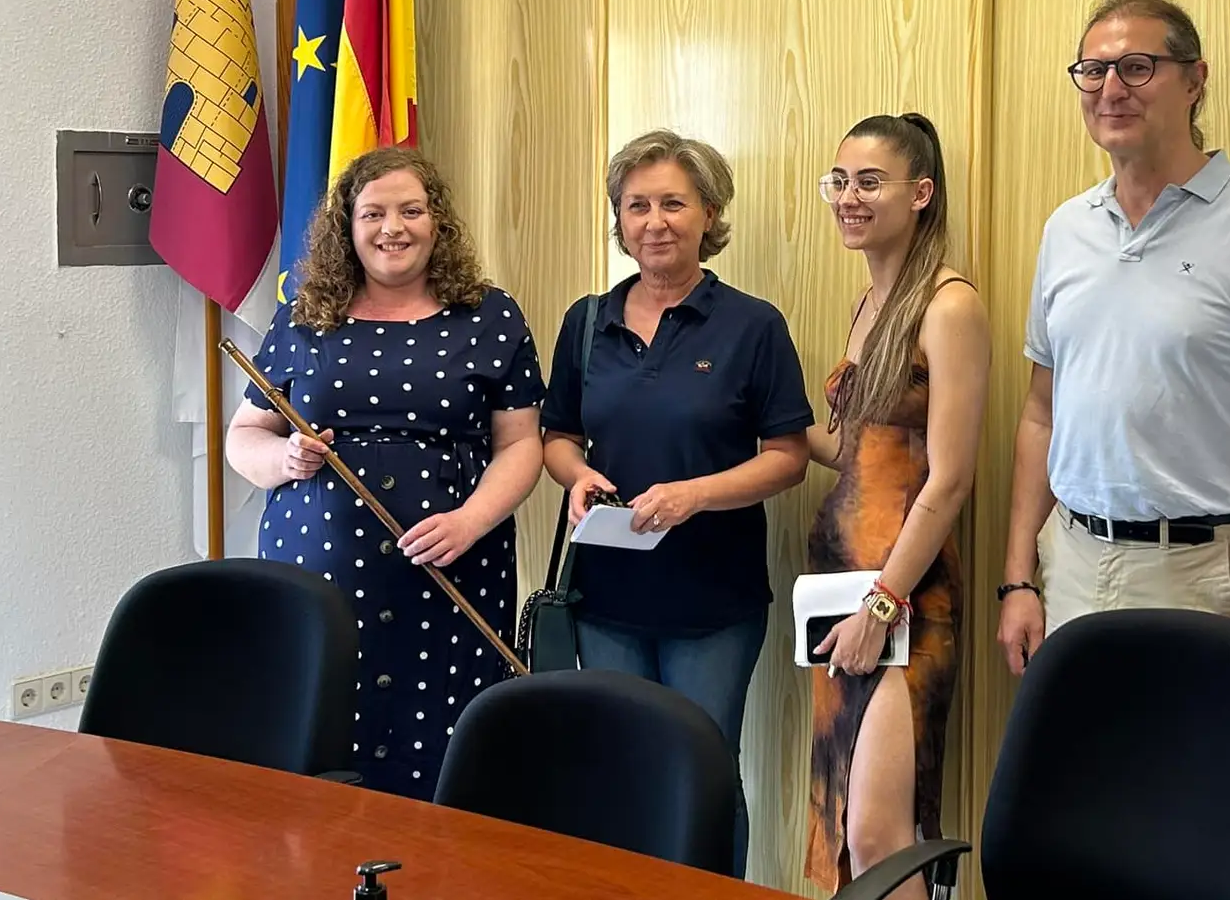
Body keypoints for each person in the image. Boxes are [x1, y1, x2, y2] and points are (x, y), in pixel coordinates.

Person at [996, 0, 1230, 673]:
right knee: (1082, 780)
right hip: (1072, 565)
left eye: (1137, 67)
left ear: (1195, 80)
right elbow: (1041, 413)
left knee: (1200, 781)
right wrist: (1018, 579)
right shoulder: (1066, 230)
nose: (1110, 89)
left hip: (1206, 576)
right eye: (1092, 71)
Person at [225, 146, 546, 801]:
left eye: (410, 210)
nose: (392, 228)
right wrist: (284, 458)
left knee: (443, 762)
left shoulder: (491, 315)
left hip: (452, 570)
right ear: (347, 226)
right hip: (318, 578)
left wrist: (471, 520)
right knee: (318, 755)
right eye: (373, 213)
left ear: (438, 222)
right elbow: (246, 435)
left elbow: (521, 444)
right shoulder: (302, 315)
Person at [539, 128, 813, 877]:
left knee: (705, 765)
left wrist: (696, 495)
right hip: (607, 594)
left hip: (712, 602)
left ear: (709, 214)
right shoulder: (586, 321)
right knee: (627, 765)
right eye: (636, 205)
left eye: (672, 203)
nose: (654, 220)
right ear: (619, 220)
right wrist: (574, 476)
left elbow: (788, 459)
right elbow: (556, 434)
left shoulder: (752, 325)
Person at [802, 114, 988, 896]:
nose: (849, 197)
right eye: (838, 180)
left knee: (884, 831)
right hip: (838, 588)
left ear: (921, 193)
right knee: (843, 824)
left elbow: (948, 478)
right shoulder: (866, 299)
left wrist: (882, 605)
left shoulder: (947, 306)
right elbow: (859, 453)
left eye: (869, 181)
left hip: (902, 595)